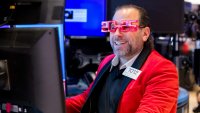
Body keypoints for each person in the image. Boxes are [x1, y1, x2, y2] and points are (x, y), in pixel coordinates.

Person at [66, 4, 179, 113]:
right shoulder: (107, 62)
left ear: (145, 34)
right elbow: (87, 100)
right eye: (113, 27)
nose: (117, 34)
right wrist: (53, 104)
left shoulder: (162, 70)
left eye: (126, 27)